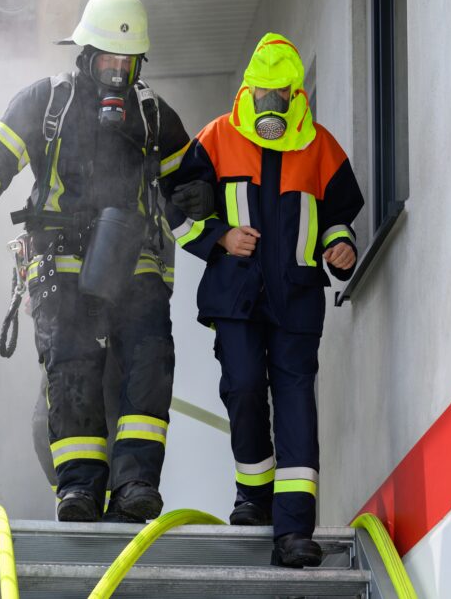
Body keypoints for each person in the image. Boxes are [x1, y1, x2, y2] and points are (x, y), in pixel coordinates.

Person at [0, 0, 191, 523]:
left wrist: (200, 203)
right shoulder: (47, 100)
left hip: (136, 260)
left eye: (127, 62)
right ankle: (78, 487)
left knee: (149, 364)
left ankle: (136, 484)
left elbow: (188, 180)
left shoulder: (153, 115)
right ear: (85, 54)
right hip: (61, 259)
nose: (116, 72)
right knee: (73, 369)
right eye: (108, 58)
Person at [165, 32, 363, 567]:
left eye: (280, 96)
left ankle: (295, 530)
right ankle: (253, 494)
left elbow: (338, 214)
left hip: (296, 297)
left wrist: (339, 245)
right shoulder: (215, 139)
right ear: (248, 91)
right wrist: (219, 239)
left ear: (297, 96)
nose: (269, 105)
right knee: (245, 387)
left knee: (297, 403)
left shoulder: (320, 145)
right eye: (262, 94)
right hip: (236, 296)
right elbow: (179, 211)